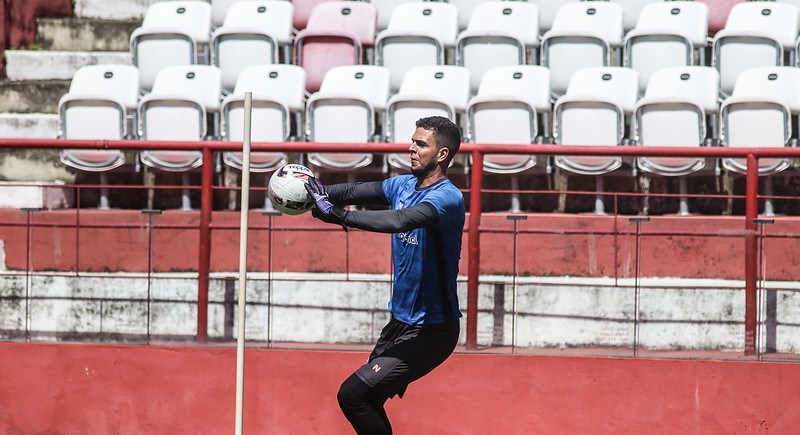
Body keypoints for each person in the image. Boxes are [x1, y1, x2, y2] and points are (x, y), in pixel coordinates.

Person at [304, 116, 465, 434]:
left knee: (352, 394)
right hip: (398, 325)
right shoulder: (401, 185)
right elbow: (351, 189)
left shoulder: (447, 198)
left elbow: (401, 220)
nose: (411, 148)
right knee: (365, 399)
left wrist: (339, 216)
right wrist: (312, 193)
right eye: (412, 141)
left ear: (442, 154)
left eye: (421, 144)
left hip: (432, 331)